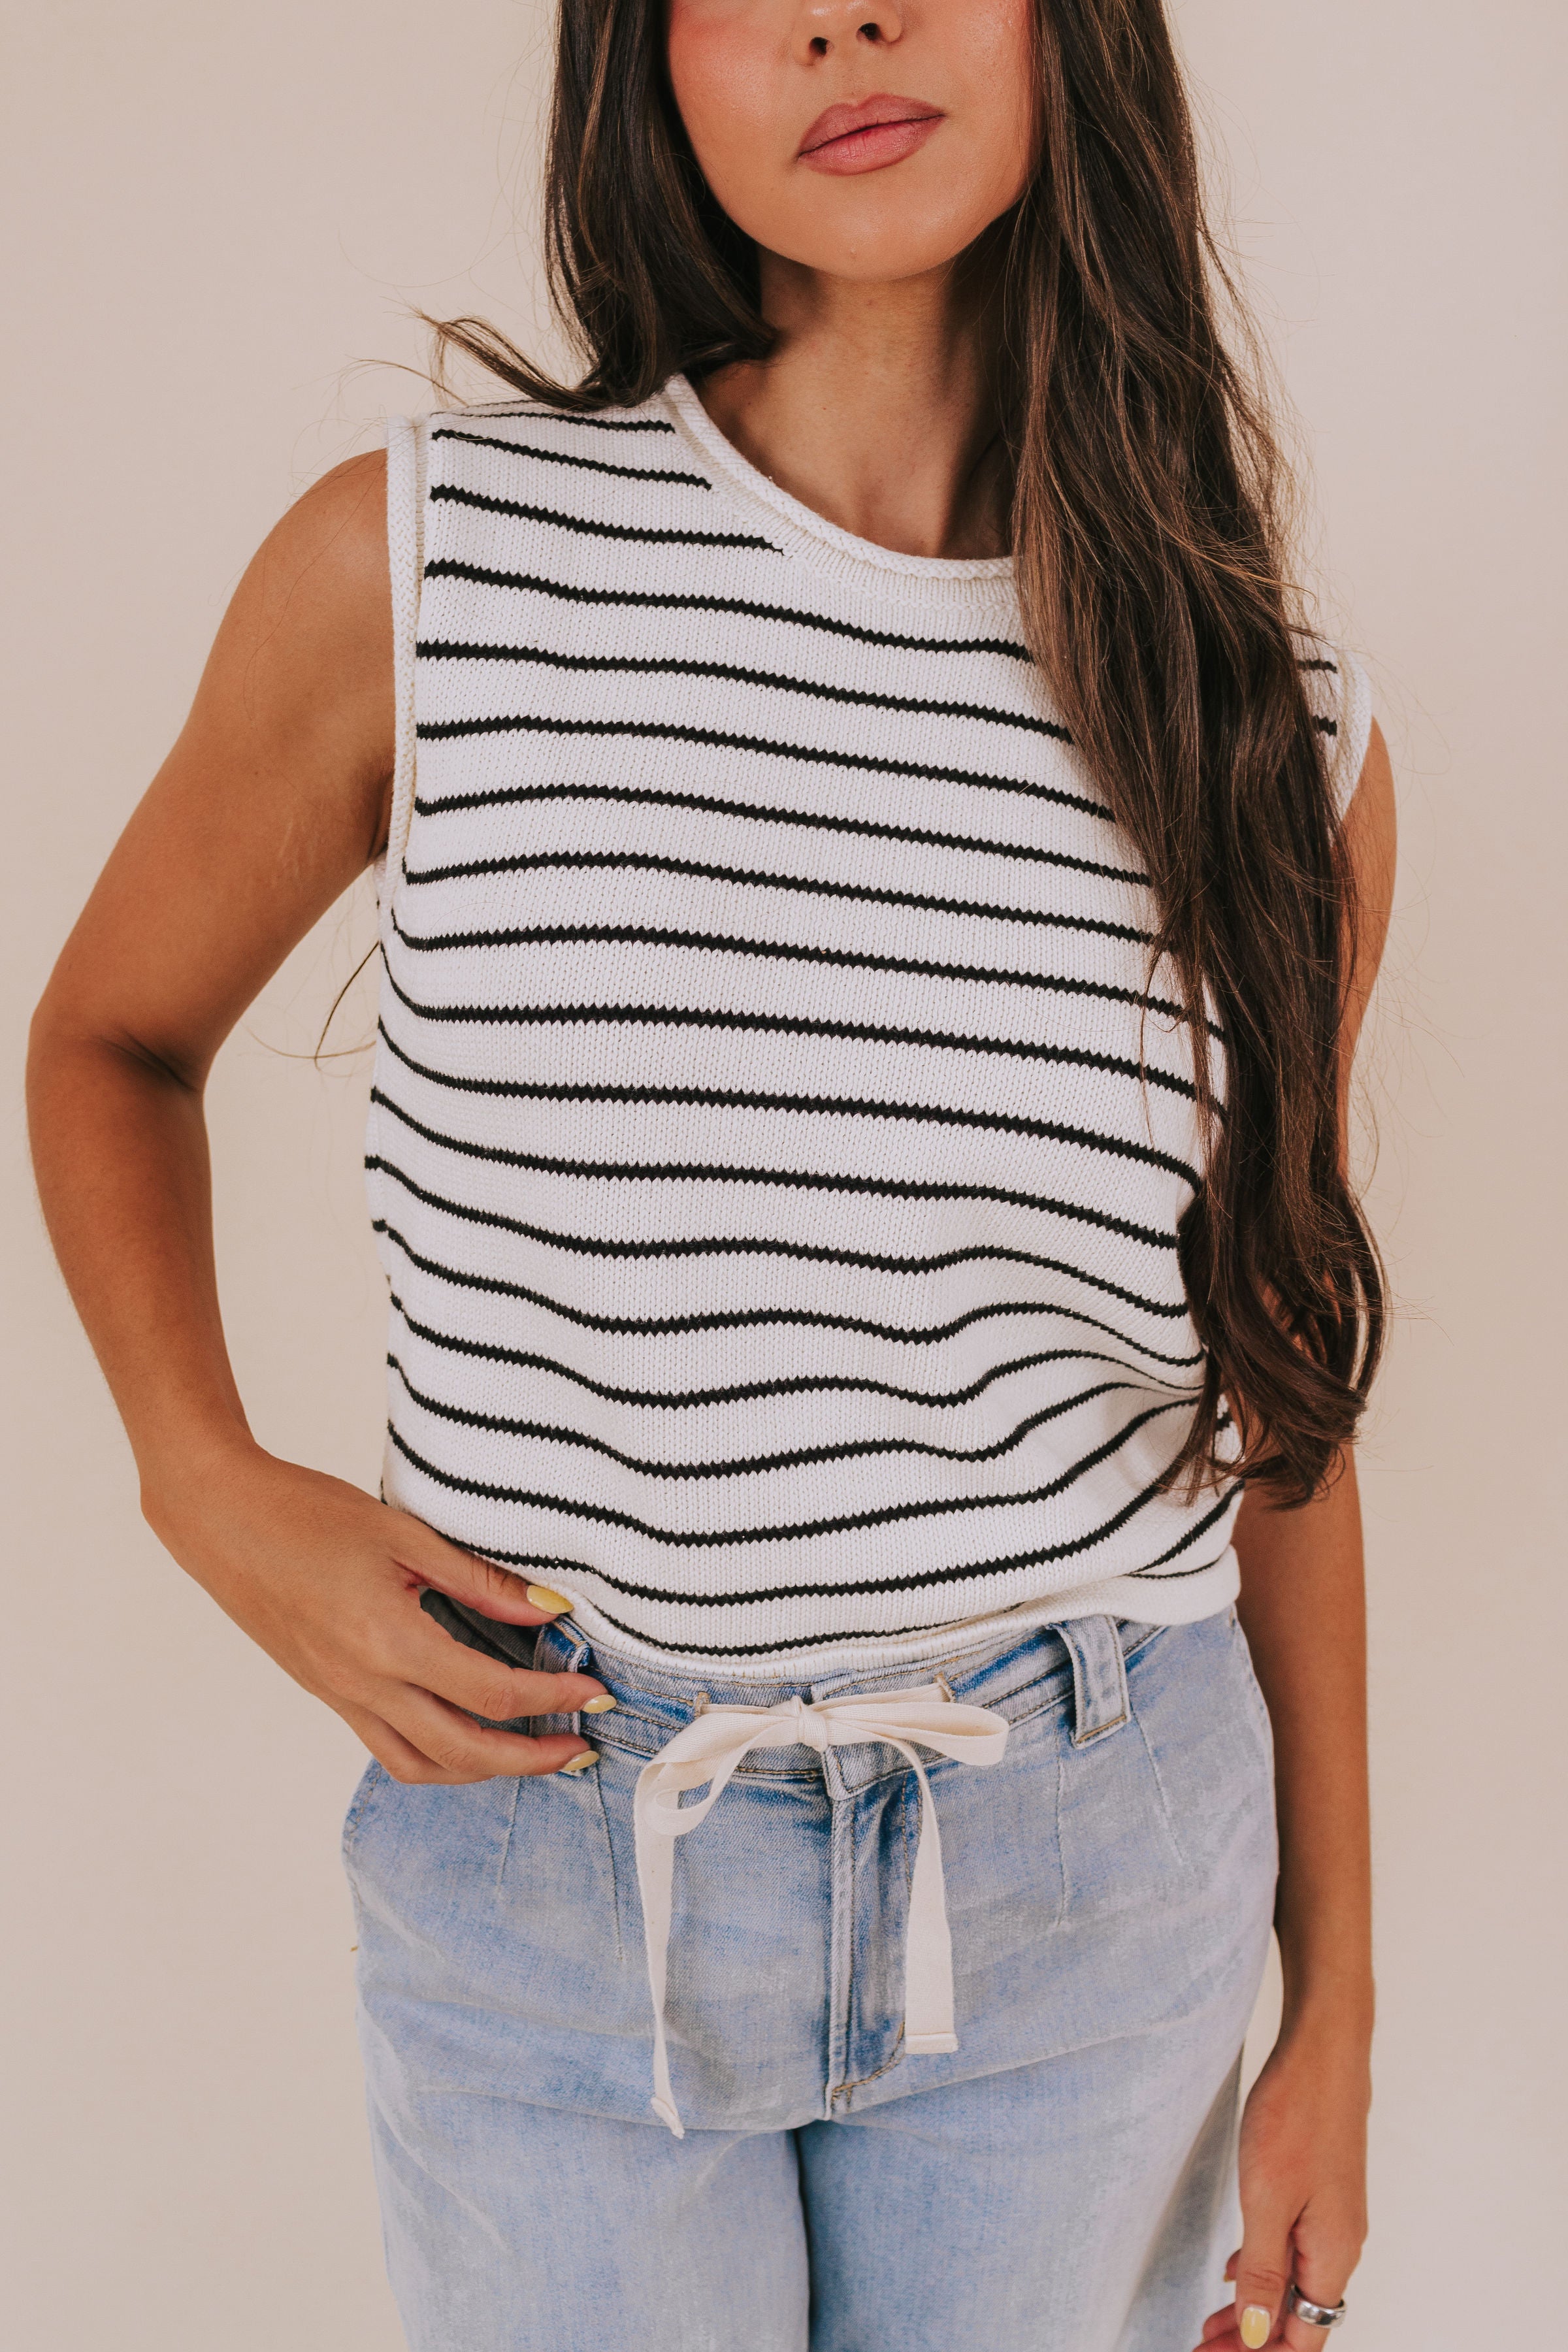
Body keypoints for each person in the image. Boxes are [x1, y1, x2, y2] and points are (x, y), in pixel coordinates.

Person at [26, 1, 1396, 2345]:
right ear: (641, 60)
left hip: (1089, 1879)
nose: (844, 20)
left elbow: (1276, 1400)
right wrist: (194, 1471)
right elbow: (106, 1040)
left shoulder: (1271, 716)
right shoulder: (429, 566)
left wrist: (1338, 2017)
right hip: (553, 1852)